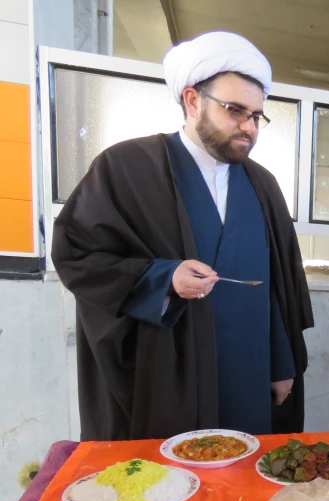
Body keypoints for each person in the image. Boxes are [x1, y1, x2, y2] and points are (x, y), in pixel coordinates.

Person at [52, 32, 313, 441]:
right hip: (168, 375)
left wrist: (282, 365)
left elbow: (276, 288)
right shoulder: (127, 168)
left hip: (248, 372)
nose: (248, 127)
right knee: (173, 470)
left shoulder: (263, 185)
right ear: (193, 101)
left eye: (256, 116)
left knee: (247, 468)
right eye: (235, 110)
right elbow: (79, 255)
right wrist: (163, 278)